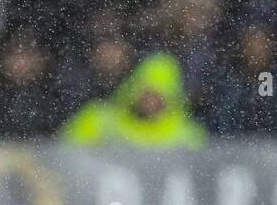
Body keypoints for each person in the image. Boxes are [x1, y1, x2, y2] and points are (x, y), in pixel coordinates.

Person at [59, 52, 207, 148]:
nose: (150, 101)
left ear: (171, 98)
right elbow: (65, 156)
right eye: (146, 93)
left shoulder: (186, 135)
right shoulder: (100, 120)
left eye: (157, 95)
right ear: (133, 90)